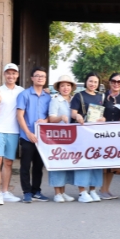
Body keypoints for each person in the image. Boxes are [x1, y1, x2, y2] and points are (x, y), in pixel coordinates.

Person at [0, 63, 24, 206]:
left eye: (14, 73)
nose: (11, 76)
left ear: (17, 75)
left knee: (9, 162)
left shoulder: (21, 91)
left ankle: (5, 192)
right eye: (8, 73)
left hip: (14, 130)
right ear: (4, 75)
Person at [16, 67, 51, 203]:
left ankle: (37, 191)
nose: (40, 78)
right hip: (27, 136)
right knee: (25, 166)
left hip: (42, 137)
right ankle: (26, 192)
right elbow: (20, 116)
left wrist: (46, 120)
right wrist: (28, 133)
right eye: (37, 76)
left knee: (38, 166)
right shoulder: (24, 95)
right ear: (32, 78)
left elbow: (50, 116)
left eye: (43, 76)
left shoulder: (48, 97)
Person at [70, 72, 106, 203]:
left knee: (96, 161)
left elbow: (104, 114)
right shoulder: (78, 96)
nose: (93, 84)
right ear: (86, 82)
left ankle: (93, 189)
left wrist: (103, 118)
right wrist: (77, 116)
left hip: (96, 134)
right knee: (83, 161)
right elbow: (73, 113)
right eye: (91, 81)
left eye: (95, 82)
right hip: (83, 133)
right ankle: (82, 191)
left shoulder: (101, 97)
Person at [47, 75, 77, 203]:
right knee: (57, 163)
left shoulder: (74, 100)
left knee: (65, 164)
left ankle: (63, 192)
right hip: (57, 137)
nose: (65, 88)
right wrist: (60, 118)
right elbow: (51, 118)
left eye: (68, 85)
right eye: (63, 85)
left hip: (71, 137)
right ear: (59, 88)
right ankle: (57, 193)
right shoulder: (55, 100)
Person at [99, 72, 120, 200]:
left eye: (119, 82)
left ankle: (106, 189)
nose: (116, 84)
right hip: (103, 134)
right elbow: (95, 112)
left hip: (118, 135)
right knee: (104, 163)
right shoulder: (103, 97)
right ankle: (100, 188)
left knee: (113, 163)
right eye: (114, 81)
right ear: (109, 82)